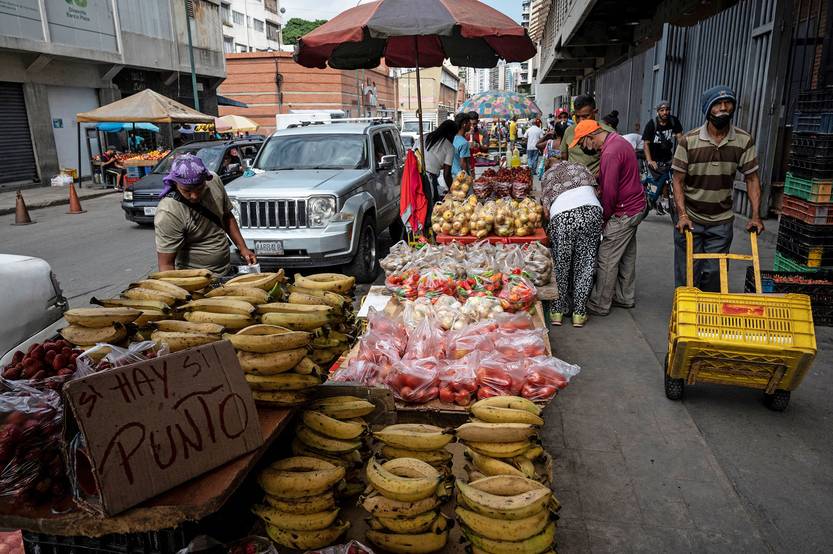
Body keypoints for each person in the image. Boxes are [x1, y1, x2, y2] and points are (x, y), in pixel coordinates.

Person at [671, 85, 764, 292]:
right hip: (691, 218)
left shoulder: (743, 140)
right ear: (707, 109)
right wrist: (682, 215)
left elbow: (752, 179)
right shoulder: (689, 140)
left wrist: (756, 216)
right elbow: (677, 180)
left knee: (715, 274)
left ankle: (708, 309)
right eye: (717, 104)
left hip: (721, 221)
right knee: (687, 275)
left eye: (728, 103)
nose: (723, 108)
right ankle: (687, 309)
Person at [569, 120, 646, 317]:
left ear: (590, 137)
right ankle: (624, 297)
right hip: (636, 206)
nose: (584, 148)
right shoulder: (618, 141)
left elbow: (610, 194)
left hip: (624, 211)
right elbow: (610, 177)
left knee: (607, 257)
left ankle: (599, 304)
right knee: (626, 255)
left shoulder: (610, 152)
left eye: (582, 143)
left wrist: (603, 219)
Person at [154, 154, 256, 275]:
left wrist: (243, 248)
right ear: (175, 183)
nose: (194, 196)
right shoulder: (168, 212)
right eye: (187, 190)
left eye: (199, 188)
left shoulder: (214, 180)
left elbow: (226, 216)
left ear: (206, 180)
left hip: (225, 270)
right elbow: (166, 264)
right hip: (195, 279)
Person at [541, 161, 603, 327]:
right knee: (586, 264)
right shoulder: (581, 167)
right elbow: (596, 192)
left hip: (563, 216)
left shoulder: (548, 175)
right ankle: (579, 313)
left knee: (561, 265)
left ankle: (557, 312)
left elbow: (545, 213)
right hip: (591, 212)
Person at [642, 100, 684, 215]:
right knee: (659, 180)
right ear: (658, 112)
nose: (665, 112)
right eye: (662, 110)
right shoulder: (652, 124)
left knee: (668, 178)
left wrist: (682, 155)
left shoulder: (673, 121)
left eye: (667, 110)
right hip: (654, 157)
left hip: (667, 156)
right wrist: (650, 160)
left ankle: (665, 201)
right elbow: (646, 144)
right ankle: (658, 200)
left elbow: (680, 139)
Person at [560, 95, 616, 176]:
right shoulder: (569, 131)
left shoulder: (607, 133)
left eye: (585, 116)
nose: (581, 121)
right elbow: (564, 156)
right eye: (577, 117)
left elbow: (611, 165)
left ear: (595, 112)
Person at [424, 119, 458, 201]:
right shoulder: (449, 147)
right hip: (429, 178)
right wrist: (453, 191)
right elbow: (447, 174)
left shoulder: (424, 136)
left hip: (414, 175)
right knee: (431, 204)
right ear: (451, 134)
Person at [452, 112, 472, 177]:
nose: (470, 125)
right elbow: (463, 163)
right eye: (469, 123)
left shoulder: (451, 138)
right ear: (464, 124)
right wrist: (468, 177)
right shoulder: (464, 143)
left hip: (450, 176)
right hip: (460, 178)